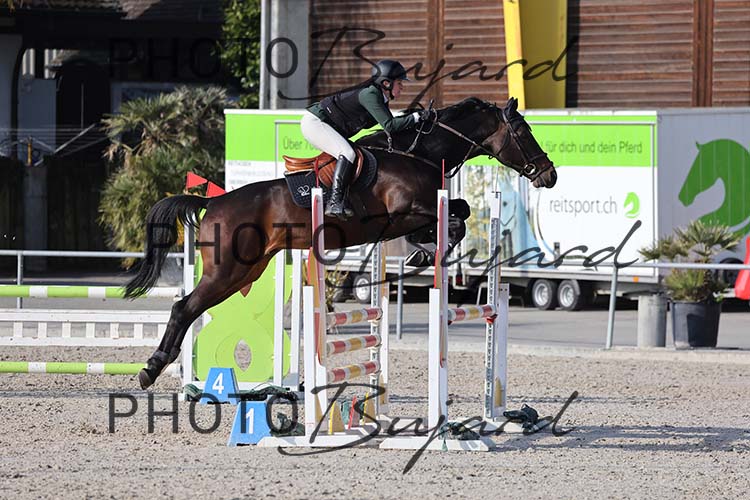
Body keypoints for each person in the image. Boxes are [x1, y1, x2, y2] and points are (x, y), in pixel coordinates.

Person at [301, 59, 429, 220]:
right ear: (386, 83)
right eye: (399, 83)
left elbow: (390, 125)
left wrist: (415, 121)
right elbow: (390, 126)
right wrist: (417, 117)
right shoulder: (370, 95)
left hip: (325, 125)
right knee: (347, 153)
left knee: (355, 152)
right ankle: (335, 201)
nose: (402, 87)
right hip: (315, 123)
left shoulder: (380, 98)